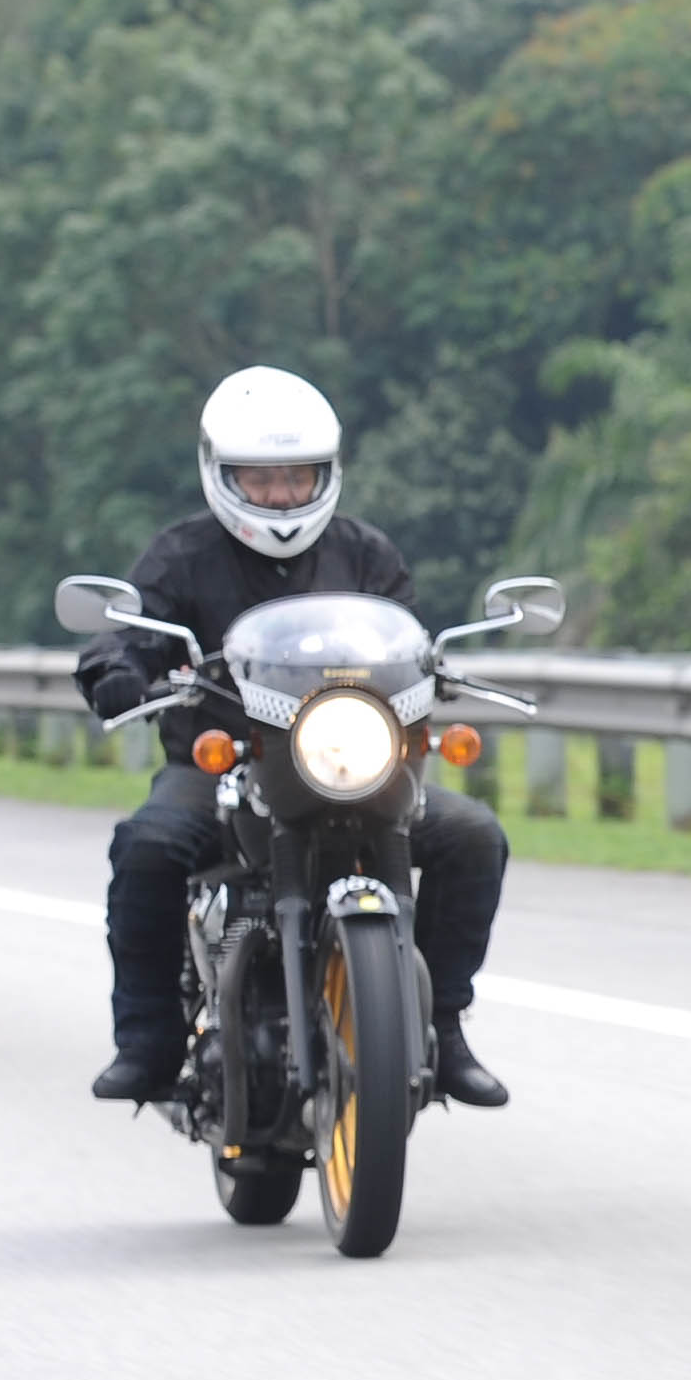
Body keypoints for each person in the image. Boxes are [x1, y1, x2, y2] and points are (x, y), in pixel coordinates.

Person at [73, 366, 513, 1109]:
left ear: (325, 474)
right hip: (226, 764)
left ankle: (441, 1024)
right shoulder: (181, 556)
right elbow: (126, 632)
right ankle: (147, 1041)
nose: (280, 495)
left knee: (473, 836)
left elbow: (405, 641)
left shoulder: (366, 554)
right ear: (222, 475)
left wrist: (435, 672)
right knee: (148, 846)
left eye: (296, 477)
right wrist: (117, 670)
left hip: (357, 763)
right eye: (261, 478)